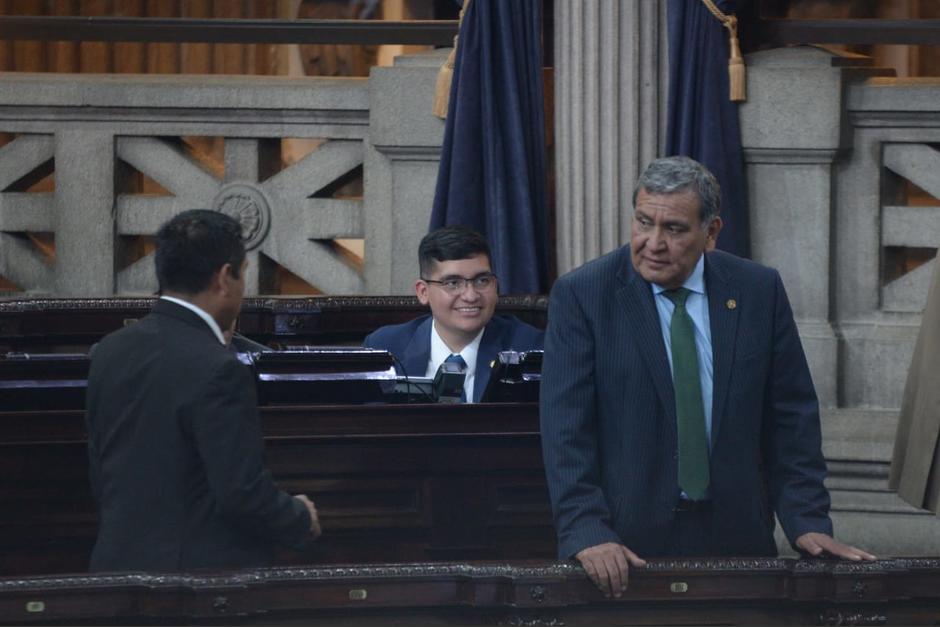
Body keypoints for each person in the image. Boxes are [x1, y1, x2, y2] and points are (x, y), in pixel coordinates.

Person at [539, 156, 873, 597]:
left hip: (738, 539)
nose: (653, 243)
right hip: (623, 549)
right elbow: (566, 429)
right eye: (643, 222)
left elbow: (790, 418)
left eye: (674, 229)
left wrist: (805, 519)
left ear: (711, 232)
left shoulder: (757, 290)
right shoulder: (584, 294)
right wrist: (586, 529)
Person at [85, 209, 320, 572]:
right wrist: (299, 517)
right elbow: (241, 495)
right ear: (225, 277)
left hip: (114, 571)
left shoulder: (108, 351)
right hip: (193, 589)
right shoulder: (219, 368)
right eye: (244, 275)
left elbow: (101, 475)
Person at [363, 226, 544, 403]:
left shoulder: (529, 347)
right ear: (423, 292)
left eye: (482, 281)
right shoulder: (385, 348)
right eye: (452, 283)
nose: (471, 296)